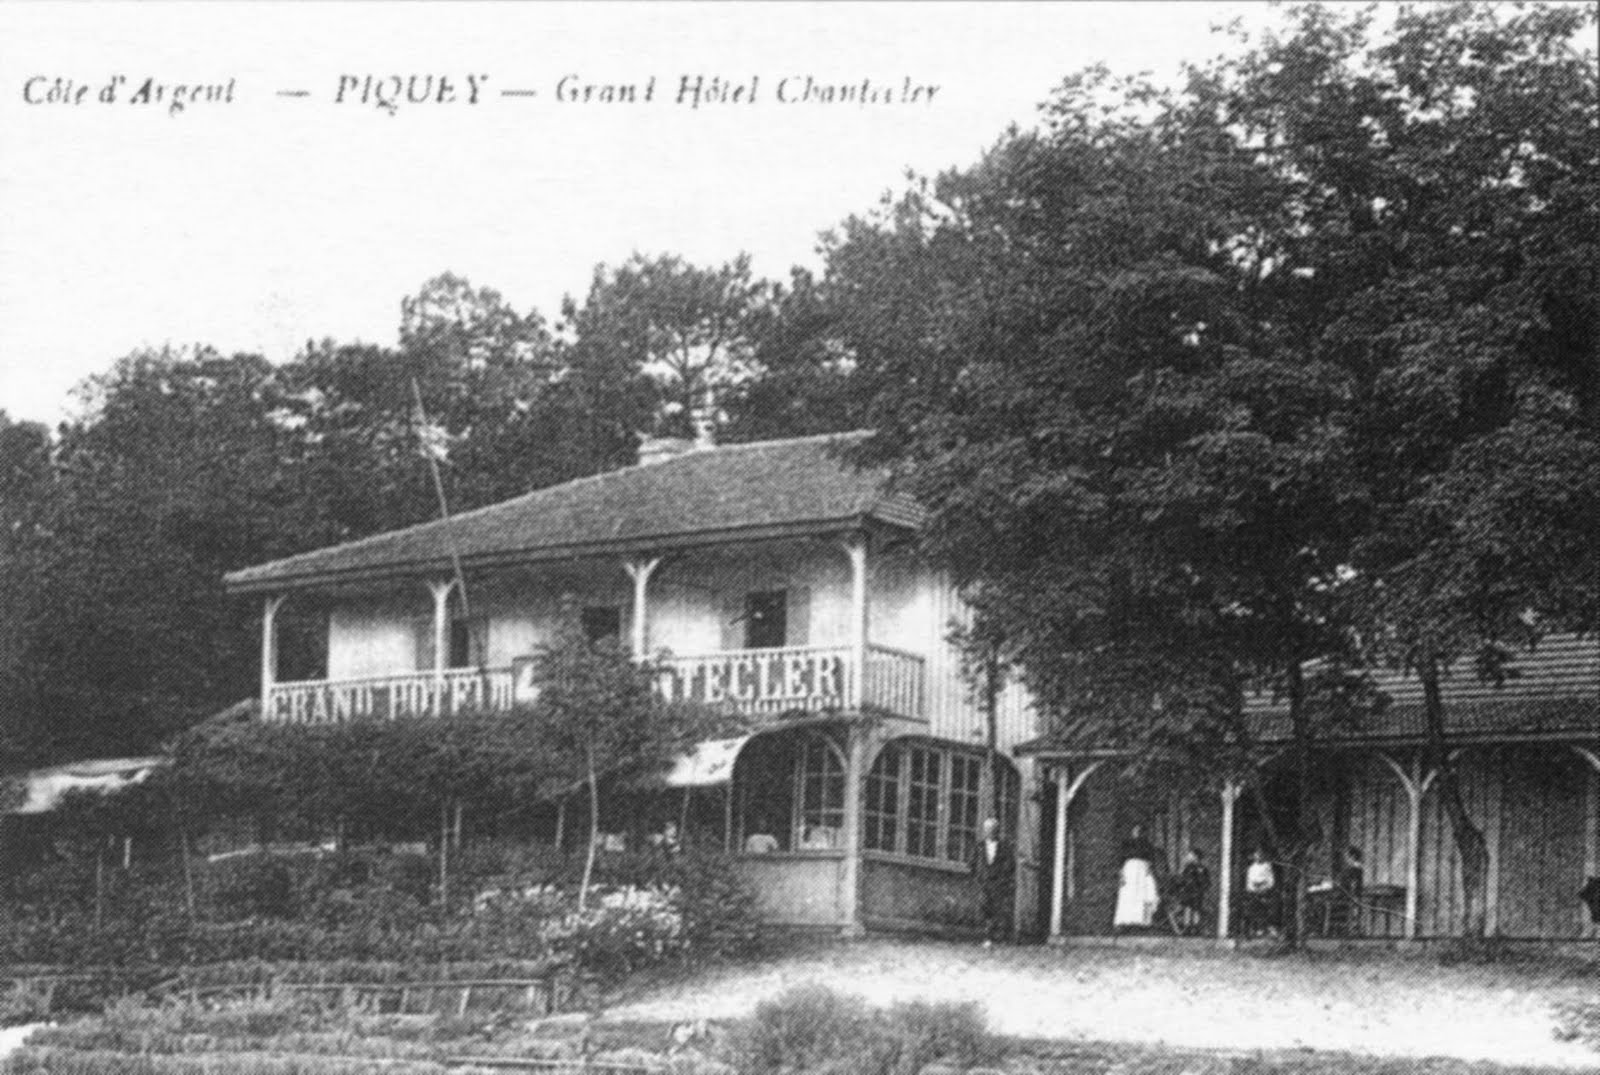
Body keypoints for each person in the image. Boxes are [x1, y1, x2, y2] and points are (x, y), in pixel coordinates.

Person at [969, 816, 1015, 946]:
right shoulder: (979, 846)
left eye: (993, 829)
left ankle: (997, 936)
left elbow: (1010, 865)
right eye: (987, 829)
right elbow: (972, 864)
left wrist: (1002, 878)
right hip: (984, 883)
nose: (990, 832)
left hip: (998, 883)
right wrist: (977, 878)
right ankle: (985, 937)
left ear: (997, 831)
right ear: (984, 831)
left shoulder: (1004, 847)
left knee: (997, 910)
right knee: (984, 909)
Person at [1113, 825, 1160, 933]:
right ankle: (1124, 922)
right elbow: (1121, 860)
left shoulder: (1147, 845)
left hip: (1142, 872)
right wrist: (1121, 874)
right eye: (1135, 830)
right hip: (1129, 871)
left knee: (1143, 895)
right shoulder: (1126, 844)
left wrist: (1149, 870)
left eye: (1140, 830)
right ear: (1132, 831)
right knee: (1127, 895)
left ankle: (1141, 923)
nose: (1137, 832)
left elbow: (1151, 860)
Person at [1172, 848, 1211, 935]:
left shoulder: (1198, 868)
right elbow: (1183, 879)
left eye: (1190, 855)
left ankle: (1193, 927)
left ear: (1195, 857)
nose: (1187, 856)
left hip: (1194, 891)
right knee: (1189, 908)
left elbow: (1204, 881)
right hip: (1190, 891)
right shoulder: (1190, 867)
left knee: (1193, 909)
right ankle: (1189, 927)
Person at [1244, 846, 1277, 938]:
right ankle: (1256, 930)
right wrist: (1252, 888)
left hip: (1265, 891)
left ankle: (1268, 930)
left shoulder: (1267, 866)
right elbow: (1249, 882)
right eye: (1257, 854)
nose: (1258, 856)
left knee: (1266, 910)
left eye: (1260, 854)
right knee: (1254, 911)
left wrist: (1265, 887)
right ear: (1254, 856)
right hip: (1254, 892)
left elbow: (1271, 880)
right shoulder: (1251, 868)